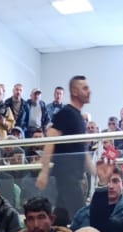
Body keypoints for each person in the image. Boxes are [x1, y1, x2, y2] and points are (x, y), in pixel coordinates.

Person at [36, 75, 93, 216]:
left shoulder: (78, 117)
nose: (89, 91)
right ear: (74, 91)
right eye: (85, 88)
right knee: (80, 217)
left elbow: (82, 151)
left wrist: (97, 172)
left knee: (63, 218)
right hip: (67, 178)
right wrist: (44, 171)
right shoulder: (66, 113)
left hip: (73, 178)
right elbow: (51, 139)